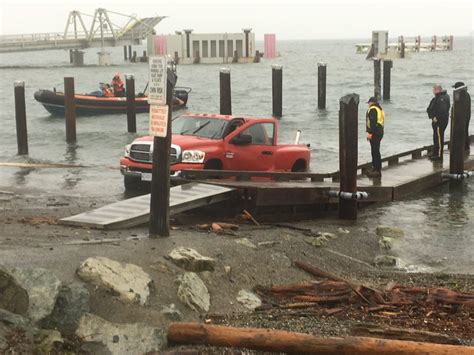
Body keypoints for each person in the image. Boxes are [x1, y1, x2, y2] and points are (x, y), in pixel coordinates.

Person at [426, 84, 450, 161]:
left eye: (433, 89)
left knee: (439, 138)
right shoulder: (440, 97)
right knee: (436, 137)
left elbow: (442, 110)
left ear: (437, 89)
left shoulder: (442, 98)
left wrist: (437, 118)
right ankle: (435, 153)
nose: (432, 91)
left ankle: (439, 155)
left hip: (440, 122)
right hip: (439, 121)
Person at [365, 97, 384, 178]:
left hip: (375, 133)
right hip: (379, 132)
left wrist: (370, 133)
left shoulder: (373, 109)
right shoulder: (379, 109)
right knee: (376, 151)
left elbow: (373, 122)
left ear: (371, 102)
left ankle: (377, 170)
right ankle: (375, 168)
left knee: (375, 151)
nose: (368, 105)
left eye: (368, 103)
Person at [452, 81, 471, 152]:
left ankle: (464, 146)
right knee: (465, 130)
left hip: (462, 116)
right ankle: (466, 146)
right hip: (467, 115)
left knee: (462, 131)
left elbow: (459, 107)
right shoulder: (467, 94)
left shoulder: (461, 95)